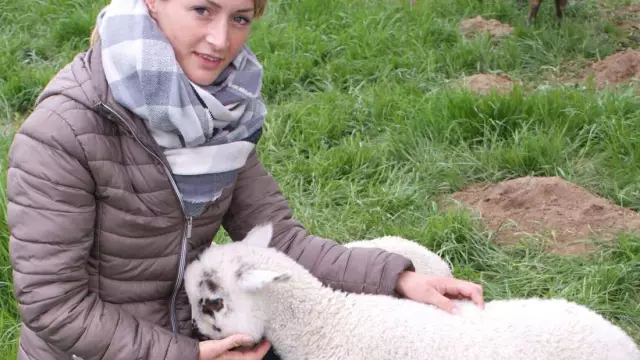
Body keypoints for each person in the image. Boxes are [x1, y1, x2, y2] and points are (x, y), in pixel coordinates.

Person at [6, 0, 485, 359]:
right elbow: (54, 307)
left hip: (204, 333)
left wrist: (398, 278)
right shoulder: (64, 132)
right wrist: (185, 355)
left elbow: (281, 241)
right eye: (202, 10)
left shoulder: (221, 115)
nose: (220, 39)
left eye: (239, 18)